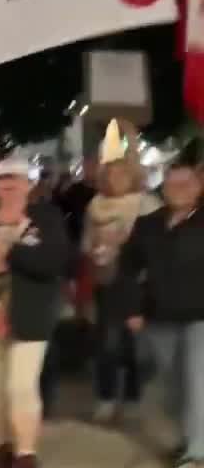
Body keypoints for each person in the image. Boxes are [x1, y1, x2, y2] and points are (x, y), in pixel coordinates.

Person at [0, 157, 69, 468]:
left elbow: (53, 261)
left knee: (20, 386)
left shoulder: (46, 219)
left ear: (28, 184)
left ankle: (26, 455)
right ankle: (2, 446)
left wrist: (9, 254)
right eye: (2, 180)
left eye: (16, 179)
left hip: (30, 315)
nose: (9, 185)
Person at [119, 159, 204, 468]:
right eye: (172, 185)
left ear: (198, 188)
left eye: (186, 184)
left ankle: (195, 456)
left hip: (199, 316)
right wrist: (132, 309)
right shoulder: (148, 225)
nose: (178, 190)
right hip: (159, 316)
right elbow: (127, 269)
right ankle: (190, 441)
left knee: (197, 380)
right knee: (173, 386)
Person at [82, 153, 160, 424]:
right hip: (105, 281)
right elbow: (86, 242)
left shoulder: (146, 204)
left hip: (135, 284)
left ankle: (131, 398)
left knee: (133, 347)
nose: (116, 179)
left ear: (133, 176)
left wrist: (127, 241)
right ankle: (105, 398)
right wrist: (96, 251)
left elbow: (156, 244)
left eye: (121, 174)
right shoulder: (95, 205)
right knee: (105, 344)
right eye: (110, 174)